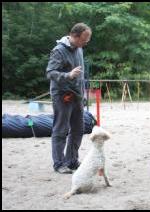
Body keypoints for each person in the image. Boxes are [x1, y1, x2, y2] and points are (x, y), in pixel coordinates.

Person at [46, 23, 92, 174]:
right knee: (61, 129)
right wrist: (68, 75)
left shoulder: (79, 49)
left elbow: (81, 74)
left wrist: (83, 93)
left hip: (77, 95)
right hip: (62, 95)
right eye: (85, 38)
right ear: (75, 36)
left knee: (79, 129)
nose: (87, 42)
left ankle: (71, 161)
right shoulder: (58, 51)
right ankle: (59, 164)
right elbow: (50, 72)